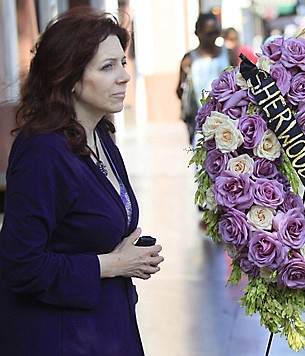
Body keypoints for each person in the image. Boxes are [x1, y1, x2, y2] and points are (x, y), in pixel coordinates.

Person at [0, 7, 164, 355]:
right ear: (70, 78)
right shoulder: (42, 152)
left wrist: (128, 254)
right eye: (108, 67)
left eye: (123, 62)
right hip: (61, 338)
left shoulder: (99, 134)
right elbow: (20, 264)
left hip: (105, 328)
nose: (124, 76)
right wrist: (112, 264)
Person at [176, 13, 237, 145]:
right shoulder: (189, 59)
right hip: (200, 124)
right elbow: (179, 90)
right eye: (209, 33)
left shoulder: (229, 54)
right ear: (198, 33)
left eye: (217, 32)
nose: (214, 36)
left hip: (229, 120)